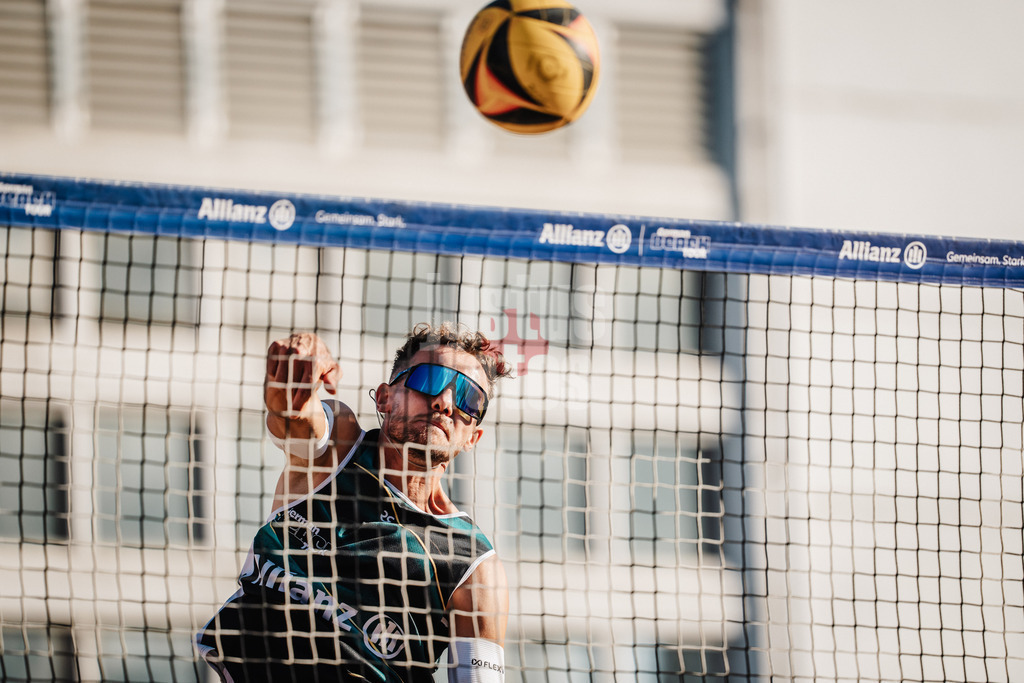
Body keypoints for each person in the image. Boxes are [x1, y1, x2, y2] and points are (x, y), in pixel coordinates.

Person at [196, 322, 513, 682]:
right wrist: (293, 380)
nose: (444, 402)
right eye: (429, 379)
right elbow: (293, 417)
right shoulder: (339, 450)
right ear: (384, 398)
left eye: (469, 398)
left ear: (473, 436)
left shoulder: (473, 564)